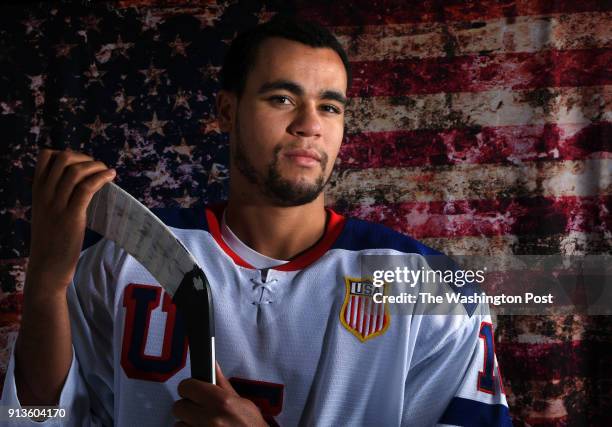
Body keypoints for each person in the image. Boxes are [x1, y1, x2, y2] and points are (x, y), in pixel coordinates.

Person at [1, 16, 512, 426]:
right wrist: (46, 285)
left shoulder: (432, 287)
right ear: (227, 111)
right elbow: (38, 419)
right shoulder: (123, 255)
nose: (309, 124)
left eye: (329, 107)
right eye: (282, 99)